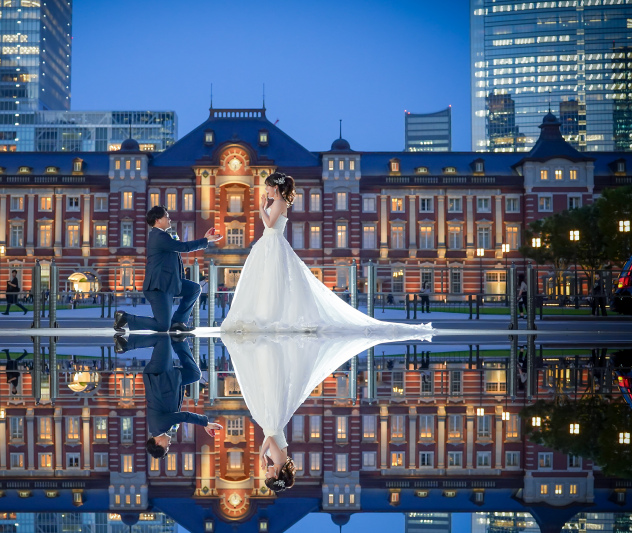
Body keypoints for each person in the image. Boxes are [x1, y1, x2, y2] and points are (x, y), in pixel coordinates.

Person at [220, 172, 434, 335]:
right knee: (271, 281)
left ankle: (272, 317)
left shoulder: (278, 202)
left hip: (273, 242)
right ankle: (269, 316)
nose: (265, 190)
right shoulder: (278, 202)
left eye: (267, 186)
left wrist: (260, 208)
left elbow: (269, 223)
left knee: (274, 281)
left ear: (274, 187)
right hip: (270, 243)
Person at [221, 328, 434, 492]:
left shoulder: (283, 460)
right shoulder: (277, 460)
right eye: (267, 476)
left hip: (275, 418)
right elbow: (270, 440)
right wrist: (261, 455)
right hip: (272, 420)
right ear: (275, 474)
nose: (264, 472)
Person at [114, 206, 222, 334]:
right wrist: (206, 240)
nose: (170, 219)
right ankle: (125, 318)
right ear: (158, 220)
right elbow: (183, 247)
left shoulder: (163, 236)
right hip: (158, 287)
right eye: (166, 216)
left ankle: (178, 322)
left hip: (170, 283)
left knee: (194, 289)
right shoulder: (158, 236)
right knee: (162, 326)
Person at [118, 334, 222, 458]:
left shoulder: (159, 426)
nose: (169, 444)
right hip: (169, 382)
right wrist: (180, 385)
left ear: (157, 442)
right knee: (194, 374)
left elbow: (184, 416)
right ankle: (179, 339)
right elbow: (175, 406)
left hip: (159, 377)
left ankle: (125, 344)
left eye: (166, 446)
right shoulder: (162, 428)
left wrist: (205, 423)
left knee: (163, 338)